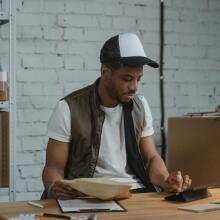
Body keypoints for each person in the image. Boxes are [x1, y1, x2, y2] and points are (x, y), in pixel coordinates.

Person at [41, 33, 191, 199]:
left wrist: (165, 180)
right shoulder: (69, 108)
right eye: (127, 79)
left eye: (138, 79)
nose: (134, 87)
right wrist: (54, 185)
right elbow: (54, 167)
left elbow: (151, 158)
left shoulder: (139, 106)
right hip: (87, 194)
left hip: (134, 193)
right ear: (105, 71)